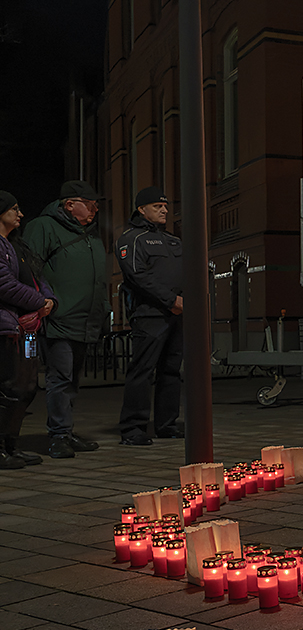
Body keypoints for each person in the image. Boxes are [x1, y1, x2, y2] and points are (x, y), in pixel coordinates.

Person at [23, 181, 109, 458]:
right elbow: (30, 268)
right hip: (58, 317)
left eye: (96, 204)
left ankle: (66, 432)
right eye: (90, 203)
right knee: (60, 378)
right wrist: (43, 302)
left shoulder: (89, 234)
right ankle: (58, 435)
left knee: (71, 380)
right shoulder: (43, 227)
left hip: (84, 319)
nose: (95, 209)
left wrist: (103, 309)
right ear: (70, 204)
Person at [116, 187, 183, 446]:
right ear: (141, 209)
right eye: (157, 206)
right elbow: (138, 276)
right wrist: (171, 301)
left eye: (165, 206)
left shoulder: (173, 240)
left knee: (171, 371)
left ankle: (167, 425)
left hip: (177, 315)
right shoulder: (131, 239)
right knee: (142, 372)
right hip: (149, 315)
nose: (164, 210)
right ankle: (133, 429)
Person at [0, 191, 55, 468]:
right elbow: (4, 285)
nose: (20, 214)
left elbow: (38, 278)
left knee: (26, 387)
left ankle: (12, 445)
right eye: (14, 209)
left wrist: (50, 300)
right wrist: (39, 301)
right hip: (7, 330)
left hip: (28, 331)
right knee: (7, 387)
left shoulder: (17, 246)